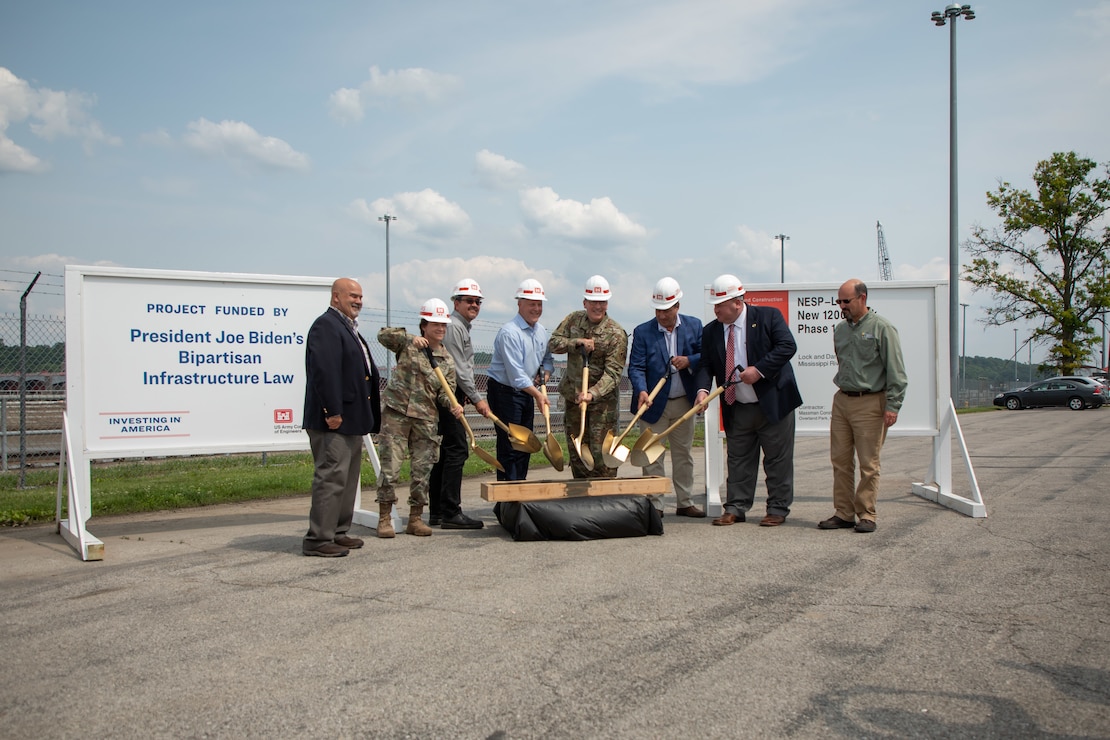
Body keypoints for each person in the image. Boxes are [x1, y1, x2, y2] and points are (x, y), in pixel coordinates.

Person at [694, 274, 802, 527]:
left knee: (777, 460)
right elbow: (705, 365)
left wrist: (760, 370)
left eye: (720, 304)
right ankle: (736, 507)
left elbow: (787, 346)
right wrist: (701, 390)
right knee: (738, 459)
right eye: (714, 305)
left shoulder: (768, 317)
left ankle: (777, 508)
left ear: (738, 303)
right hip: (738, 406)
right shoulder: (711, 331)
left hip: (773, 404)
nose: (716, 309)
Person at [820, 278, 908, 534]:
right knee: (840, 460)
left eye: (846, 301)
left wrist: (892, 405)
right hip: (842, 400)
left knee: (869, 463)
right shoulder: (840, 329)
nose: (842, 306)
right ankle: (844, 513)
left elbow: (897, 371)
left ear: (863, 298)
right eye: (839, 302)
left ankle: (867, 514)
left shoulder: (883, 328)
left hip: (871, 401)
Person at [301, 278, 382, 557]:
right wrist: (331, 412)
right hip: (334, 420)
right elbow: (325, 372)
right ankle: (318, 539)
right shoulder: (326, 326)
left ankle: (337, 532)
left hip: (352, 420)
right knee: (331, 477)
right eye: (352, 296)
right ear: (336, 297)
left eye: (360, 296)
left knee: (347, 480)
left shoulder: (349, 328)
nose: (358, 300)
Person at [375, 298, 463, 538]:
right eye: (435, 324)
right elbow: (382, 336)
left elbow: (446, 394)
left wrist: (453, 406)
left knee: (422, 470)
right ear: (424, 324)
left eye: (443, 325)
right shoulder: (409, 345)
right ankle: (385, 518)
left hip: (426, 418)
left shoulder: (446, 360)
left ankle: (415, 518)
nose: (440, 329)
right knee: (391, 467)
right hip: (398, 414)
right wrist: (408, 338)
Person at [628, 277, 705, 517]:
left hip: (684, 402)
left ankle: (685, 501)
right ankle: (655, 504)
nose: (662, 315)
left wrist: (688, 360)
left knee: (684, 454)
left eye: (667, 310)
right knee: (652, 455)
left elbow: (706, 356)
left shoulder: (694, 326)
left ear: (677, 306)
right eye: (658, 310)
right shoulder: (643, 332)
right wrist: (642, 390)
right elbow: (636, 367)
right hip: (653, 404)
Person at [549, 275, 629, 479]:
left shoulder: (616, 334)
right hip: (574, 400)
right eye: (593, 301)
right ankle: (580, 503)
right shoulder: (573, 320)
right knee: (577, 453)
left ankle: (605, 503)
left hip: (602, 407)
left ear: (607, 303)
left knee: (602, 455)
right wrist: (576, 343)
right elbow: (553, 343)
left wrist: (592, 394)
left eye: (602, 302)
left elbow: (613, 374)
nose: (597, 306)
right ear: (585, 302)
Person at [428, 278, 490, 529]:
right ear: (456, 302)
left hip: (451, 393)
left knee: (445, 454)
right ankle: (451, 512)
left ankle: (438, 512)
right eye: (469, 301)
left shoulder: (460, 327)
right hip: (450, 396)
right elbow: (460, 369)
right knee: (457, 451)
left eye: (477, 301)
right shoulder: (454, 327)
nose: (474, 305)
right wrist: (477, 399)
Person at [486, 279, 554, 481]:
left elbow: (548, 361)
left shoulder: (541, 331)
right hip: (505, 392)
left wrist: (544, 378)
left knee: (526, 445)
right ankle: (508, 502)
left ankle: (520, 492)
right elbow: (516, 376)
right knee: (511, 447)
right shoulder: (510, 333)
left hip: (527, 392)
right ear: (519, 304)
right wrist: (538, 395)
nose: (536, 308)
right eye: (531, 303)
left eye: (539, 304)